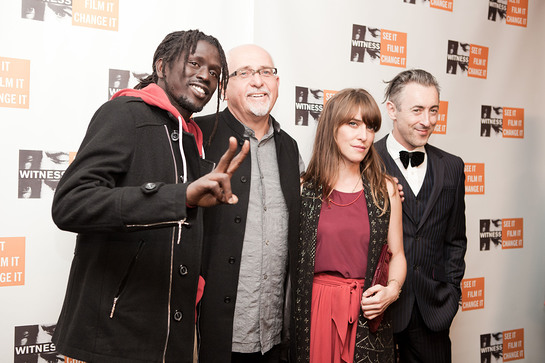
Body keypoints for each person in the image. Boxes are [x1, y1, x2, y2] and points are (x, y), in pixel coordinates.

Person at [50, 30, 249, 363]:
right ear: (162, 66)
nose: (206, 75)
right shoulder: (125, 114)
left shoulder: (193, 139)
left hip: (173, 340)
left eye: (215, 71)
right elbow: (71, 203)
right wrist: (178, 196)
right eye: (194, 63)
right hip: (113, 339)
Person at [195, 44, 303, 363]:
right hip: (213, 333)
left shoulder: (289, 147)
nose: (258, 81)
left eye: (266, 72)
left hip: (275, 336)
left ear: (277, 83)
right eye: (245, 73)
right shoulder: (197, 135)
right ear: (225, 86)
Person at [294, 88, 406, 363]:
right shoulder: (303, 188)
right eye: (353, 124)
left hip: (367, 313)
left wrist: (391, 291)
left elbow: (399, 255)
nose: (364, 135)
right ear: (332, 128)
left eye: (370, 126)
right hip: (315, 311)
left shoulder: (386, 189)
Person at [375, 69, 467, 362]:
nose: (427, 121)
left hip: (433, 313)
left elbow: (456, 239)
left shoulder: (451, 166)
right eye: (417, 110)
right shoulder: (366, 162)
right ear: (392, 109)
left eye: (433, 110)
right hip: (378, 311)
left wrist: (450, 293)